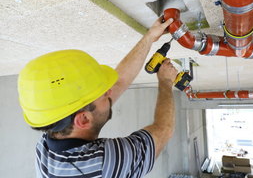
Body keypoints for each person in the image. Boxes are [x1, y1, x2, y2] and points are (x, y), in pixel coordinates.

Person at [18, 17, 177, 178]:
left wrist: (149, 37)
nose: (109, 92)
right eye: (103, 93)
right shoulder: (105, 164)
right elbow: (163, 130)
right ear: (84, 120)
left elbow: (117, 84)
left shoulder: (47, 143)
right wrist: (165, 82)